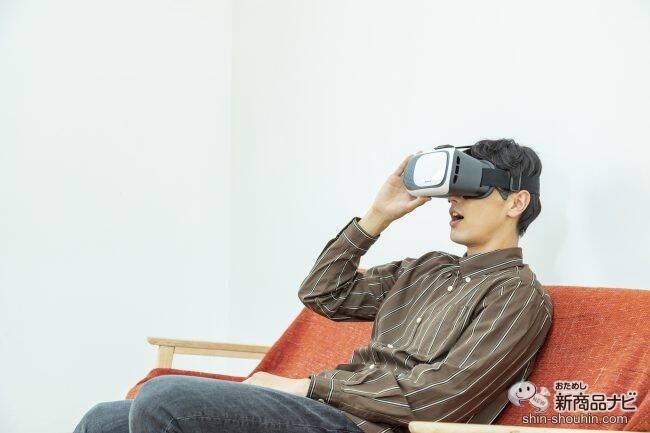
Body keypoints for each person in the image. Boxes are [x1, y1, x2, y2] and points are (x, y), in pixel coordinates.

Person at [73, 138, 552, 433]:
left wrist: (306, 387)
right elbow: (324, 294)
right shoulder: (425, 269)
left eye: (473, 190)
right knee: (104, 420)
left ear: (516, 203)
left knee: (165, 399)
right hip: (329, 412)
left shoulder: (516, 294)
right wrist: (377, 216)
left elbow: (441, 397)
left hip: (370, 427)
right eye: (454, 190)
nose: (454, 201)